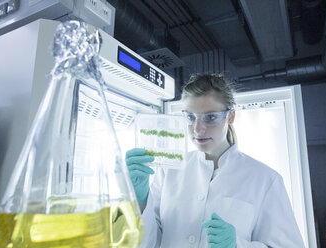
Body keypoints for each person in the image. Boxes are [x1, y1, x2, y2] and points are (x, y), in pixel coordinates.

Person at [126, 74, 305, 247]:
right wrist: (141, 202)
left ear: (231, 116)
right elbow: (148, 243)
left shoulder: (265, 179)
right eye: (190, 117)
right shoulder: (169, 170)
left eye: (210, 117)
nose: (198, 129)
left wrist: (236, 245)